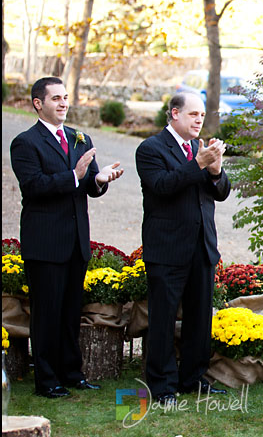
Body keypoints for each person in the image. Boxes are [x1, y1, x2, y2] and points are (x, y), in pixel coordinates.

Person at [10, 76, 123, 398]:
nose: (63, 103)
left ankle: (72, 373)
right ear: (38, 104)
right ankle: (47, 380)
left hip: (75, 241)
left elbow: (90, 186)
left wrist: (99, 179)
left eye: (65, 97)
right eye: (56, 98)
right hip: (45, 242)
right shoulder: (25, 143)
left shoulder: (79, 138)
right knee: (47, 315)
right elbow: (33, 186)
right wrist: (74, 175)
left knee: (72, 312)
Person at [136, 92, 231, 405]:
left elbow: (220, 193)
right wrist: (199, 163)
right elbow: (163, 186)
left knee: (199, 318)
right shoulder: (151, 149)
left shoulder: (197, 149)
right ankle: (162, 385)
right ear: (174, 113)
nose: (199, 120)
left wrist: (215, 170)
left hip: (202, 247)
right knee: (163, 319)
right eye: (193, 114)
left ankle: (193, 378)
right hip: (167, 248)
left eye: (201, 115)